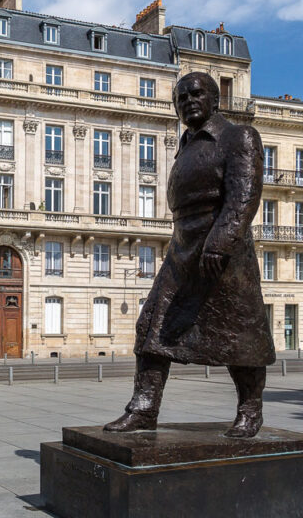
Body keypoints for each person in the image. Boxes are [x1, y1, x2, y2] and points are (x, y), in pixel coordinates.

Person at [105, 71, 275, 438]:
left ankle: (250, 409)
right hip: (183, 248)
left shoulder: (238, 136)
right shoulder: (185, 143)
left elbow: (244, 196)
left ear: (215, 100)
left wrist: (221, 241)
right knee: (152, 325)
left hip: (222, 253)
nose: (188, 102)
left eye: (196, 95)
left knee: (238, 336)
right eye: (181, 98)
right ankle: (144, 408)